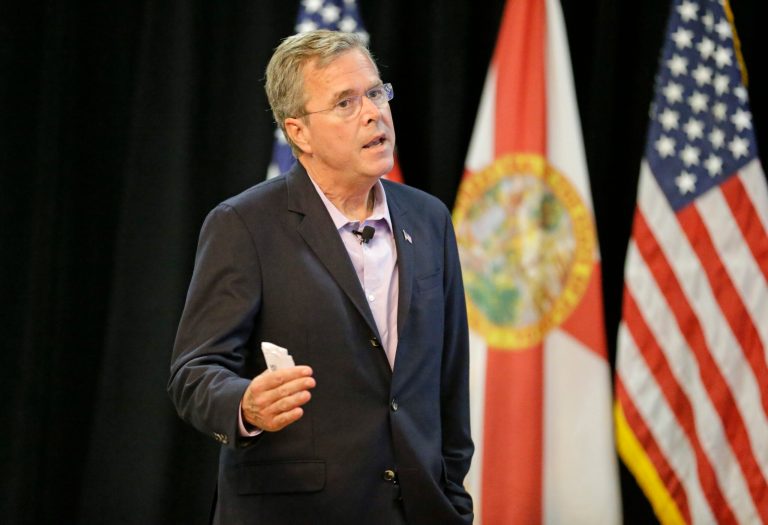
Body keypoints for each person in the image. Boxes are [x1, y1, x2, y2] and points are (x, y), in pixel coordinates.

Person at [168, 29, 474, 524]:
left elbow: (450, 380)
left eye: (376, 92)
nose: (374, 112)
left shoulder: (429, 219)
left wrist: (454, 503)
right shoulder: (244, 225)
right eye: (345, 103)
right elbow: (193, 373)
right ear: (299, 132)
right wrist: (245, 406)